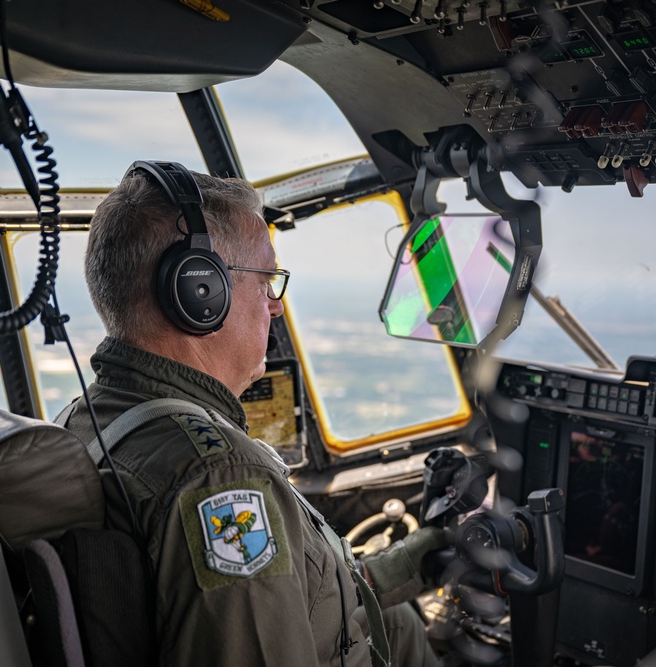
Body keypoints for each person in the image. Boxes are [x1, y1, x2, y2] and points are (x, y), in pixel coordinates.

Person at [57, 161, 447, 667]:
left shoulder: (84, 418)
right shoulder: (221, 478)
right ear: (200, 293)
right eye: (266, 281)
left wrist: (407, 565)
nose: (276, 306)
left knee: (397, 621)